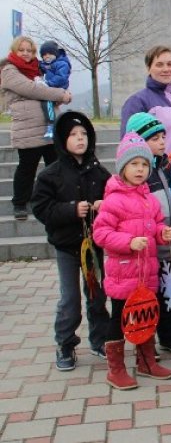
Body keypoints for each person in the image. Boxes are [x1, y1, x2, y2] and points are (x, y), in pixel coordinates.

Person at [93, 133, 171, 390]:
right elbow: (101, 234)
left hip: (147, 274)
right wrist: (129, 242)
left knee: (146, 316)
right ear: (122, 167)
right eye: (134, 164)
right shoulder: (114, 200)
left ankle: (146, 361)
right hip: (123, 274)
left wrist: (163, 234)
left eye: (144, 165)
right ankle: (115, 369)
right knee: (119, 318)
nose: (140, 170)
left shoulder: (149, 199)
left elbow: (157, 225)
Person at [31, 111, 110, 370]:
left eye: (84, 134)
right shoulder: (50, 174)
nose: (80, 139)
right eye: (73, 135)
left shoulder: (99, 172)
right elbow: (42, 209)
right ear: (62, 140)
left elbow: (114, 200)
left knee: (97, 294)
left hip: (93, 246)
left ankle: (101, 340)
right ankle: (65, 343)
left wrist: (103, 205)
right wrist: (71, 210)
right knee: (70, 299)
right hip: (66, 246)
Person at [124, 112, 171, 356]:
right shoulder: (137, 174)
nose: (162, 142)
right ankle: (147, 340)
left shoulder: (163, 168)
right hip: (151, 247)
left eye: (163, 137)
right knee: (153, 296)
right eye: (155, 138)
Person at [1, 36, 71, 220]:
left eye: (30, 50)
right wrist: (61, 94)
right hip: (28, 127)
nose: (26, 53)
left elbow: (44, 88)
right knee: (27, 167)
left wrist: (56, 93)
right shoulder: (9, 70)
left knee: (55, 165)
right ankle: (20, 203)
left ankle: (53, 198)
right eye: (22, 50)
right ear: (14, 51)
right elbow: (32, 89)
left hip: (49, 126)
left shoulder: (39, 69)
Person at [120, 45, 171, 153]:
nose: (166, 69)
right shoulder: (137, 102)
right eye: (159, 65)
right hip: (159, 169)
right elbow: (128, 145)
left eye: (170, 64)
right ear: (148, 68)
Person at [38, 40, 71, 140]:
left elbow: (61, 77)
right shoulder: (46, 64)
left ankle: (51, 126)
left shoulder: (62, 64)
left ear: (55, 53)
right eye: (44, 54)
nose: (47, 56)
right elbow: (40, 66)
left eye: (50, 53)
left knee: (47, 103)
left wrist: (48, 83)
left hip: (58, 88)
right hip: (50, 87)